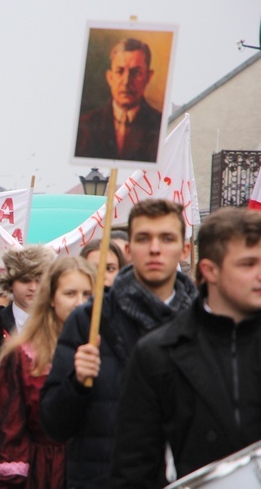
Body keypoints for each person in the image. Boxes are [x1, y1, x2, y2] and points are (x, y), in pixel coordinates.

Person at [40, 199, 199, 488]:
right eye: (143, 238)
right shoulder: (90, 320)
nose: (154, 249)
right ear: (128, 250)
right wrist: (76, 383)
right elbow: (54, 424)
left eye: (166, 238)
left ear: (184, 249)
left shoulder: (205, 323)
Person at [111, 207, 261, 486]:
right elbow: (135, 467)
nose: (260, 274)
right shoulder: (158, 352)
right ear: (210, 270)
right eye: (247, 264)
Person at [0, 257, 96, 488]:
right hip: (44, 474)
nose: (80, 303)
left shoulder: (109, 347)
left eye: (87, 295)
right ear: (51, 298)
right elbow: (5, 433)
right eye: (70, 294)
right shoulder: (22, 356)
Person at [75, 38, 163, 162]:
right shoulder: (84, 126)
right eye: (120, 71)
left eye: (135, 72)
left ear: (148, 77)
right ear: (110, 77)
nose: (126, 81)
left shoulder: (160, 126)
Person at [0, 246, 56, 336]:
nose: (33, 288)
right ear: (11, 283)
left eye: (39, 281)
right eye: (25, 280)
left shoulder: (62, 323)